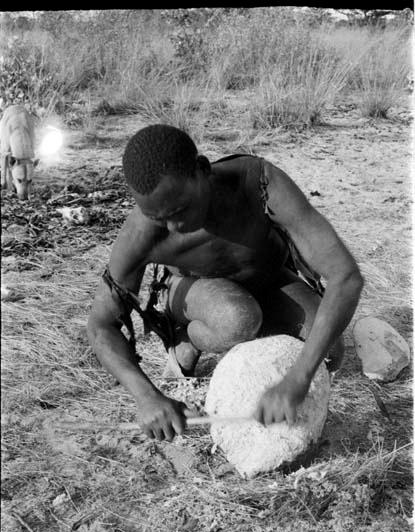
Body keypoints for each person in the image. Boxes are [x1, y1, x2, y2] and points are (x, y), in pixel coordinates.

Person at [87, 124, 363, 442]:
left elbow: (346, 277)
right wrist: (146, 396)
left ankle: (253, 339)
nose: (173, 225)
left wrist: (298, 378)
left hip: (268, 280)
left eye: (180, 210)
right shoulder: (141, 235)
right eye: (158, 217)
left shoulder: (257, 182)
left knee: (330, 354)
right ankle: (187, 340)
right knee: (238, 318)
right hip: (193, 293)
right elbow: (100, 326)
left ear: (202, 170)